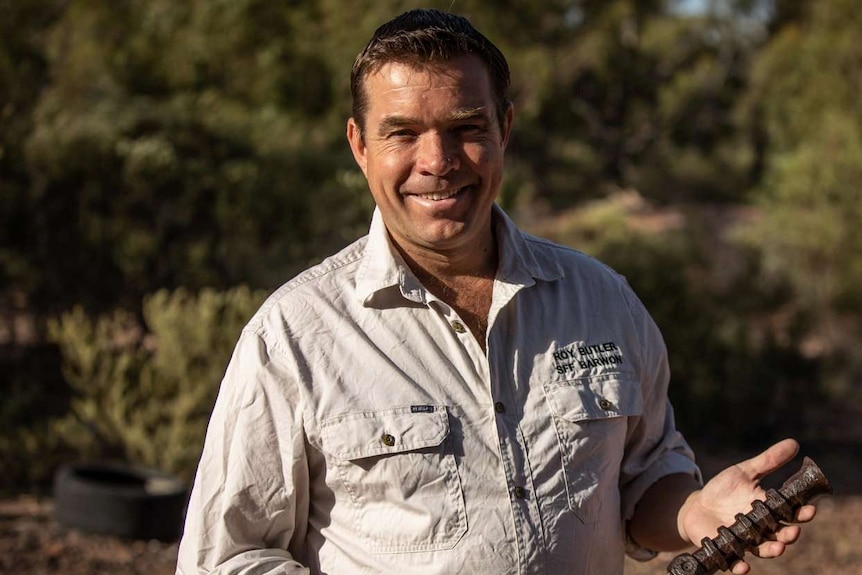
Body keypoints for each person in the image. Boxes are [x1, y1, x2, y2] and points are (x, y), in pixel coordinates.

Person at [176, 9, 816, 575]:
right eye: (402, 133)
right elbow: (226, 556)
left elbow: (644, 480)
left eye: (465, 127)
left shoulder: (601, 300)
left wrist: (697, 508)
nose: (438, 160)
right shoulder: (294, 335)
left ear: (504, 129)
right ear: (359, 146)